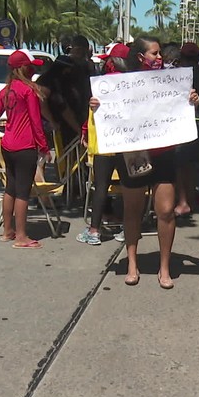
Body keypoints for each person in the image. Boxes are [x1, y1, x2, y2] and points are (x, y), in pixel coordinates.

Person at [89, 36, 199, 290]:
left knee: (165, 211)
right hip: (133, 154)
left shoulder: (171, 80)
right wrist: (96, 105)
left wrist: (193, 99)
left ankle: (164, 267)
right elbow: (106, 111)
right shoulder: (119, 83)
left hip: (164, 153)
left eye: (160, 53)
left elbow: (187, 103)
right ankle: (132, 263)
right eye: (154, 54)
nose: (160, 58)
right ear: (140, 57)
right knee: (132, 211)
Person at [0, 50, 51, 249]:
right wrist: (44, 146)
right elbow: (36, 121)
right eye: (31, 66)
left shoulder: (6, 91)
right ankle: (21, 236)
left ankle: (7, 231)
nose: (33, 69)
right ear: (24, 68)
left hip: (8, 144)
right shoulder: (28, 91)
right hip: (25, 145)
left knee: (10, 188)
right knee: (23, 191)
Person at [75, 43, 129, 246]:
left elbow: (92, 114)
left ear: (113, 61)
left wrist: (84, 132)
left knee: (101, 187)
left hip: (105, 145)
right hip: (127, 145)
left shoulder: (102, 85)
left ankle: (94, 231)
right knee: (127, 187)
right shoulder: (134, 84)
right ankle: (127, 228)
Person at [174, 42, 199, 216]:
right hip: (198, 121)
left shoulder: (181, 75)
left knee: (179, 164)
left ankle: (183, 201)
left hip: (185, 123)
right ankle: (189, 199)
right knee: (190, 165)